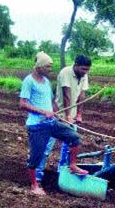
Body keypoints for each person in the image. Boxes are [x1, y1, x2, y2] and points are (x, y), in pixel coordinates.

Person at [19, 51, 88, 196]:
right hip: (37, 125)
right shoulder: (28, 81)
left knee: (75, 138)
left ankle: (73, 165)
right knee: (36, 156)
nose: (50, 70)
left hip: (52, 122)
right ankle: (34, 185)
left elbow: (51, 103)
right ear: (39, 66)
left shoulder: (46, 82)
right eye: (48, 68)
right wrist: (43, 112)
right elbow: (23, 104)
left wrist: (59, 114)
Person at [35, 54, 91, 182]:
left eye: (87, 70)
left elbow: (82, 95)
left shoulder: (84, 75)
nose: (85, 72)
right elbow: (67, 95)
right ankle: (38, 173)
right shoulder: (66, 72)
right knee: (47, 145)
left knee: (70, 146)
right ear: (75, 65)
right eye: (83, 69)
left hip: (72, 116)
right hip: (58, 114)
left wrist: (78, 114)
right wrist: (67, 116)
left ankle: (63, 171)